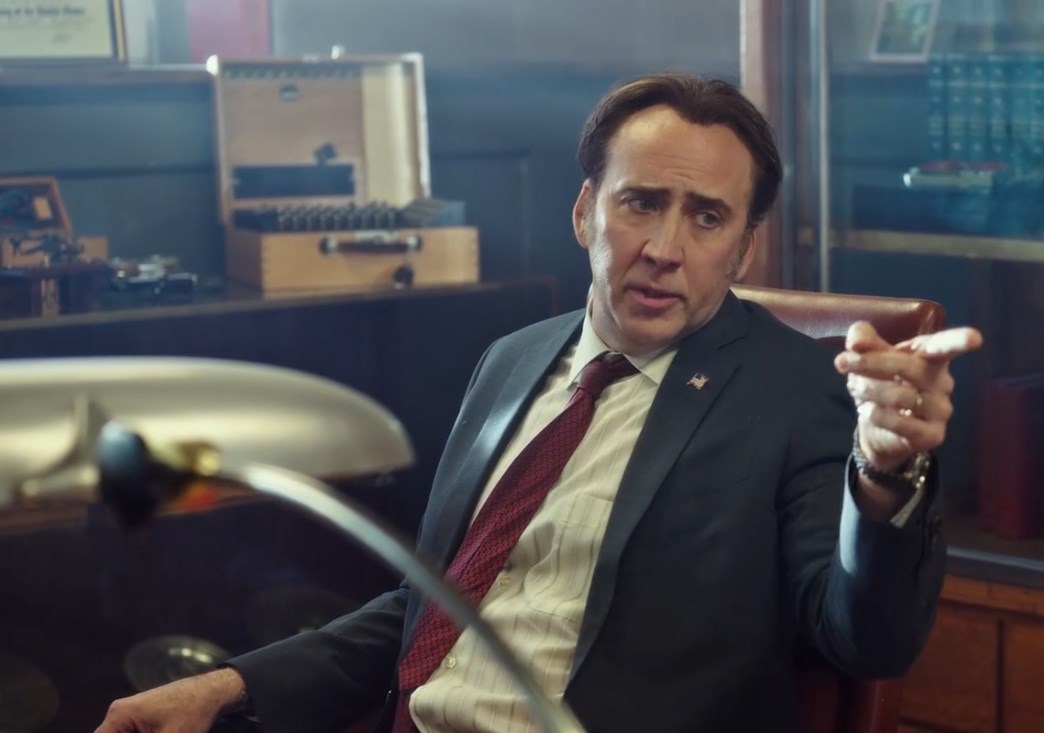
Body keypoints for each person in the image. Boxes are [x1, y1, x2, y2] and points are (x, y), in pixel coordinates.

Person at [95, 72, 981, 733]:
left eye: (706, 218)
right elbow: (430, 606)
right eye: (641, 203)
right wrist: (231, 685)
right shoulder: (512, 361)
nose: (664, 247)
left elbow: (865, 642)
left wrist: (883, 474)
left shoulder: (796, 391)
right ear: (586, 212)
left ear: (744, 249)